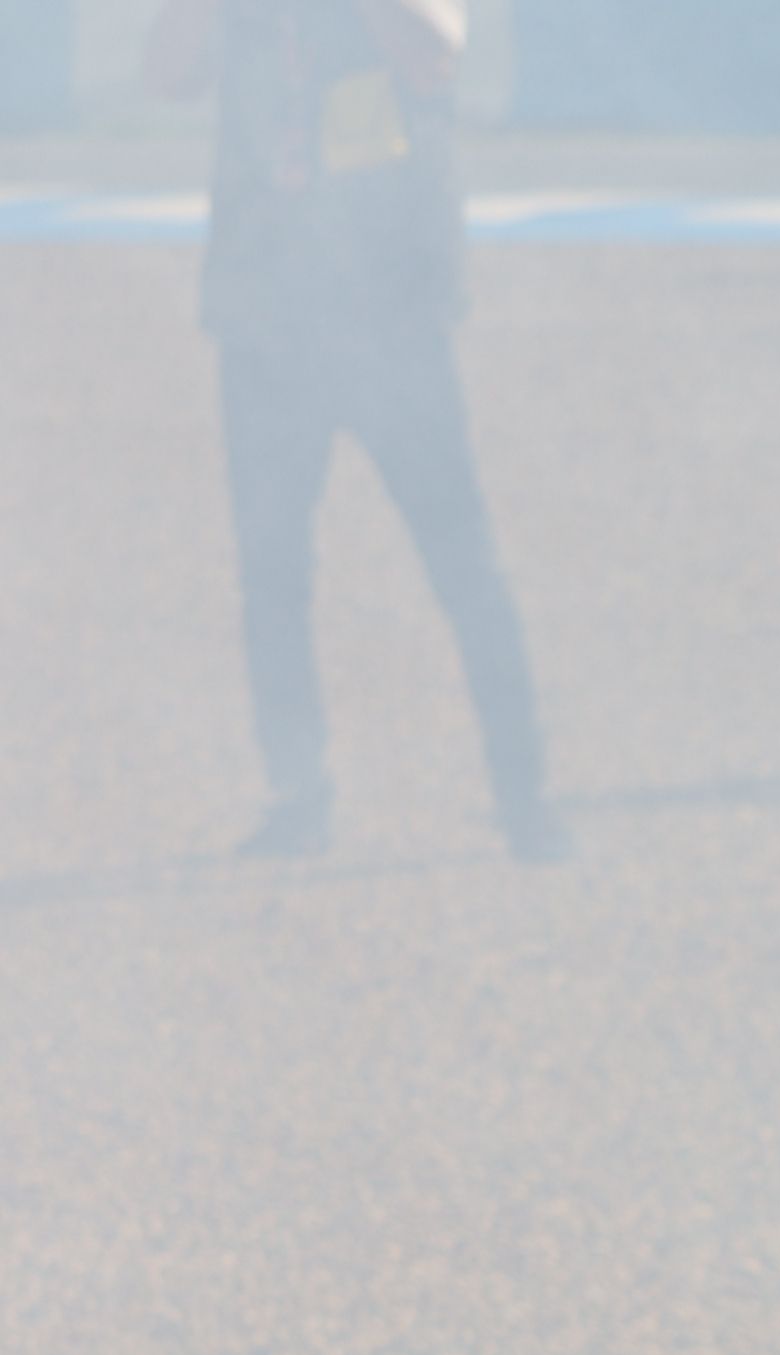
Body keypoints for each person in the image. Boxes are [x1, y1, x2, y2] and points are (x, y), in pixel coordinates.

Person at [149, 0, 561, 864]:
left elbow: (432, 54)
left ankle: (526, 799)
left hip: (392, 318)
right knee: (272, 574)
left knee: (463, 563)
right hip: (266, 319)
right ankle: (299, 796)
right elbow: (168, 73)